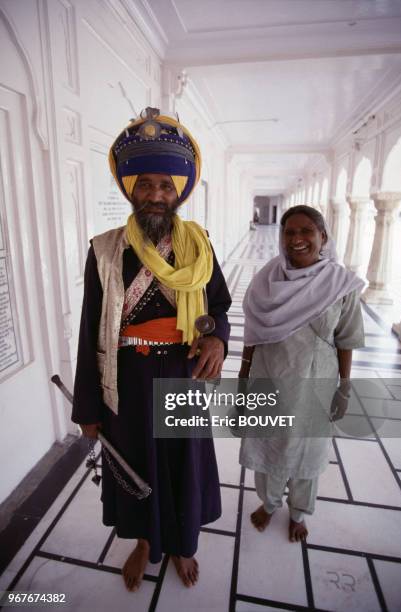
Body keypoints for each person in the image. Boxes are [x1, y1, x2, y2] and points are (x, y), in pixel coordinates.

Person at [72, 108, 231, 591]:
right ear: (131, 190)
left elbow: (216, 304)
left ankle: (181, 544)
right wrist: (88, 406)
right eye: (146, 186)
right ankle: (145, 544)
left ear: (178, 191)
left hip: (183, 373)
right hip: (128, 382)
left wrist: (216, 337)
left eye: (165, 186)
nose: (156, 195)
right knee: (134, 466)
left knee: (183, 462)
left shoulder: (196, 244)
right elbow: (88, 327)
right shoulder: (104, 249)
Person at [239, 205, 364, 542]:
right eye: (289, 232)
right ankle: (269, 503)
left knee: (307, 450)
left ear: (323, 237)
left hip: (315, 383)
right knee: (269, 446)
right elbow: (252, 334)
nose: (297, 238)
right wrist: (242, 383)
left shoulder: (341, 284)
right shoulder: (266, 280)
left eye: (306, 231)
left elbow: (347, 338)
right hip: (269, 375)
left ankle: (298, 512)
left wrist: (345, 388)